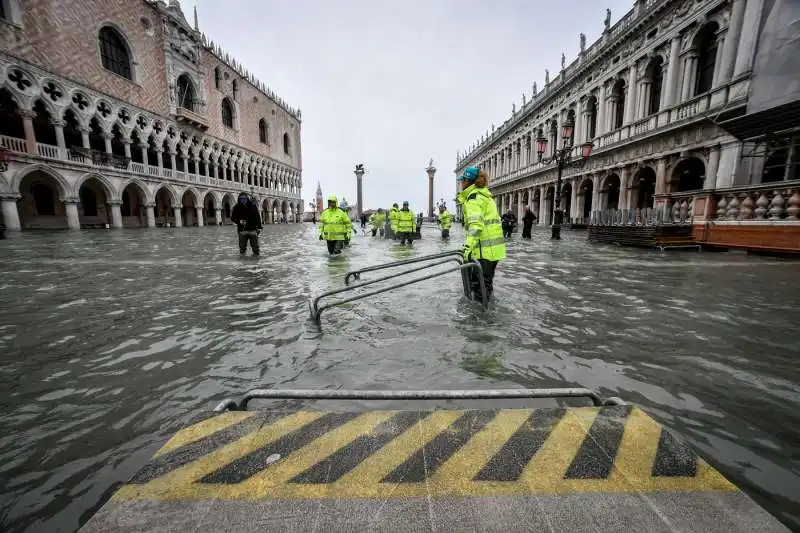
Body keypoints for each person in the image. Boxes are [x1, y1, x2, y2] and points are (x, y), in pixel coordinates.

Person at [458, 167, 506, 302]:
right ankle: (488, 311)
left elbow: (476, 226)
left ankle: (480, 319)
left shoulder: (473, 198)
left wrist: (467, 248)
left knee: (479, 287)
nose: (461, 183)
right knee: (486, 284)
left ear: (468, 181)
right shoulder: (486, 196)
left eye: (462, 180)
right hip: (494, 250)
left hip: (484, 250)